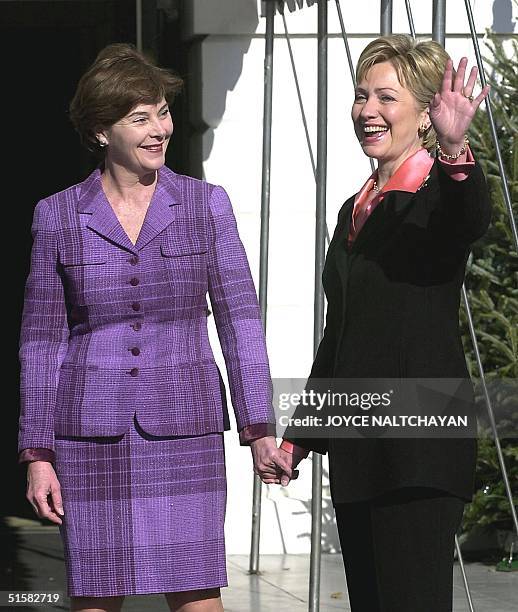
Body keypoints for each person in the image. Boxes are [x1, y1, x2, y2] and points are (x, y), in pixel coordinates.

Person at [18, 43, 291, 612]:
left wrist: (259, 426)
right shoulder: (59, 215)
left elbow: (241, 322)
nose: (159, 128)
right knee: (96, 595)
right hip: (88, 431)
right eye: (139, 117)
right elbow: (41, 341)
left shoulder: (205, 205)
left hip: (184, 424)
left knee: (195, 591)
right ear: (100, 130)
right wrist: (37, 452)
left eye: (162, 112)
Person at [276, 35, 491, 612]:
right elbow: (342, 335)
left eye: (386, 97)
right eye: (360, 96)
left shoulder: (434, 194)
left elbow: (468, 218)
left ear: (425, 113)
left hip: (417, 447)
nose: (367, 111)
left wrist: (455, 149)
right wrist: (299, 437)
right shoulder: (356, 208)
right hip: (360, 450)